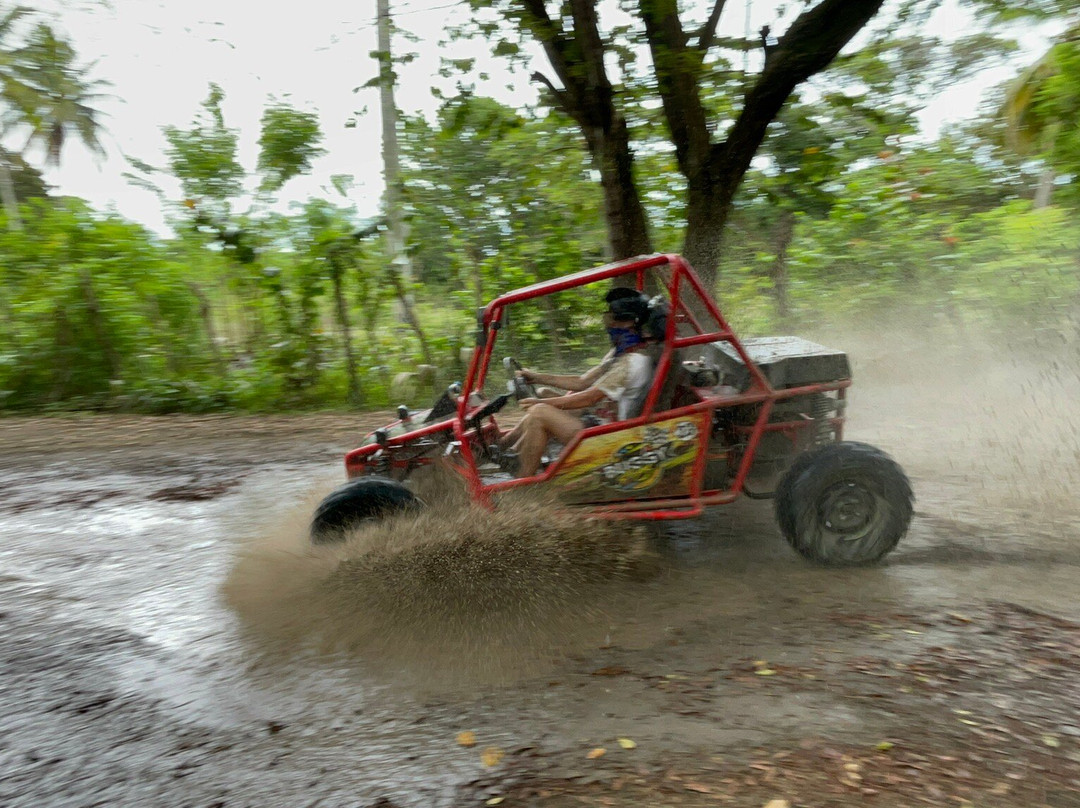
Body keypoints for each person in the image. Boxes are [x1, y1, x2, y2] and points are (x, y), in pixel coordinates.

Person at [499, 289, 655, 477]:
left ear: (635, 324)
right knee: (542, 393)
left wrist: (540, 405)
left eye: (618, 321)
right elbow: (582, 382)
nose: (611, 325)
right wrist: (536, 376)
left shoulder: (632, 362)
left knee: (539, 412)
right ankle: (507, 449)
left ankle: (523, 480)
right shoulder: (620, 354)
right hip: (596, 421)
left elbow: (589, 398)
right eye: (611, 319)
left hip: (610, 438)